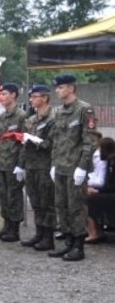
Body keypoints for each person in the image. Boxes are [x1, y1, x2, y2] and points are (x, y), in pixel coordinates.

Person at [48, 73, 96, 262]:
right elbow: (56, 141)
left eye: (60, 87)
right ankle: (68, 241)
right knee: (61, 206)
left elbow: (90, 141)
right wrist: (53, 164)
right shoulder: (59, 111)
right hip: (60, 166)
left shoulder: (85, 110)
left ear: (71, 88)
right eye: (57, 88)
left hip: (76, 167)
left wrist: (83, 167)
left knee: (76, 207)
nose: (57, 91)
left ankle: (78, 245)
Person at [18, 84, 57, 251]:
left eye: (35, 96)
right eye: (31, 97)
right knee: (35, 201)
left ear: (45, 98)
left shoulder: (53, 118)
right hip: (31, 165)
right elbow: (25, 146)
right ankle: (39, 233)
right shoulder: (31, 119)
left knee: (46, 202)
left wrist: (34, 139)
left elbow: (51, 144)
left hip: (45, 166)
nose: (31, 99)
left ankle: (48, 237)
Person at [0, 83, 27, 243]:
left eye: (4, 94)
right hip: (3, 162)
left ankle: (14, 229)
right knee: (3, 195)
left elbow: (24, 141)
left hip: (14, 163)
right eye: (1, 94)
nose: (1, 97)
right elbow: (0, 140)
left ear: (13, 95)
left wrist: (21, 164)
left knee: (14, 196)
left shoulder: (21, 116)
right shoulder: (3, 116)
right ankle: (6, 225)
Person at [86, 136, 115, 243]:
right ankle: (97, 230)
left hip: (112, 194)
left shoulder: (112, 162)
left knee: (89, 199)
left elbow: (112, 186)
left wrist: (98, 191)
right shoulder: (110, 161)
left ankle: (94, 233)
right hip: (110, 192)